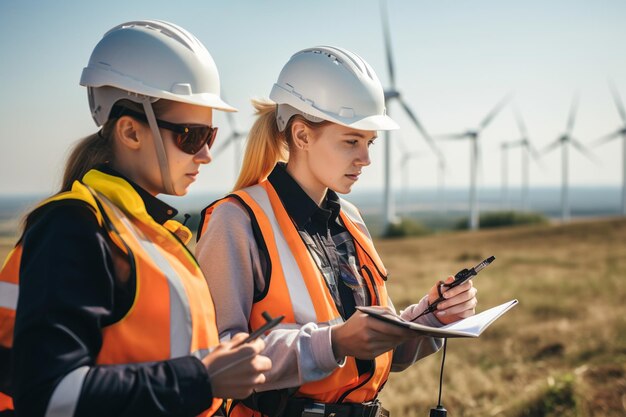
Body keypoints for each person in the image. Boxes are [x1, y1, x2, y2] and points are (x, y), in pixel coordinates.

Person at [0, 20, 271, 417]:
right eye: (191, 136)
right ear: (130, 131)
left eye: (209, 137)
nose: (206, 155)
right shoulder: (74, 230)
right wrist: (201, 378)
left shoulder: (147, 232)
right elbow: (49, 395)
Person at [195, 46, 478, 417]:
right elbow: (217, 355)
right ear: (302, 135)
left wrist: (433, 318)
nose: (366, 159)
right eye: (351, 141)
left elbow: (378, 350)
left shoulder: (350, 219)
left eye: (369, 143)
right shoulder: (236, 221)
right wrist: (332, 342)